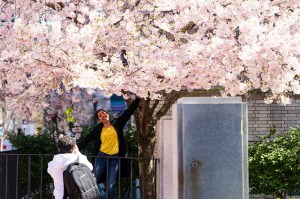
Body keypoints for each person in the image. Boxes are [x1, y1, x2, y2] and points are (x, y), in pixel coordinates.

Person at [77, 96, 140, 199]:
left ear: (108, 114)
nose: (103, 115)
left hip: (115, 159)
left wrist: (138, 99)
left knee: (111, 186)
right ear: (99, 120)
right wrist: (72, 148)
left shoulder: (117, 123)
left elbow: (128, 112)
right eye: (100, 115)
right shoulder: (98, 129)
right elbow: (86, 140)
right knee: (93, 181)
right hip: (101, 157)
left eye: (104, 113)